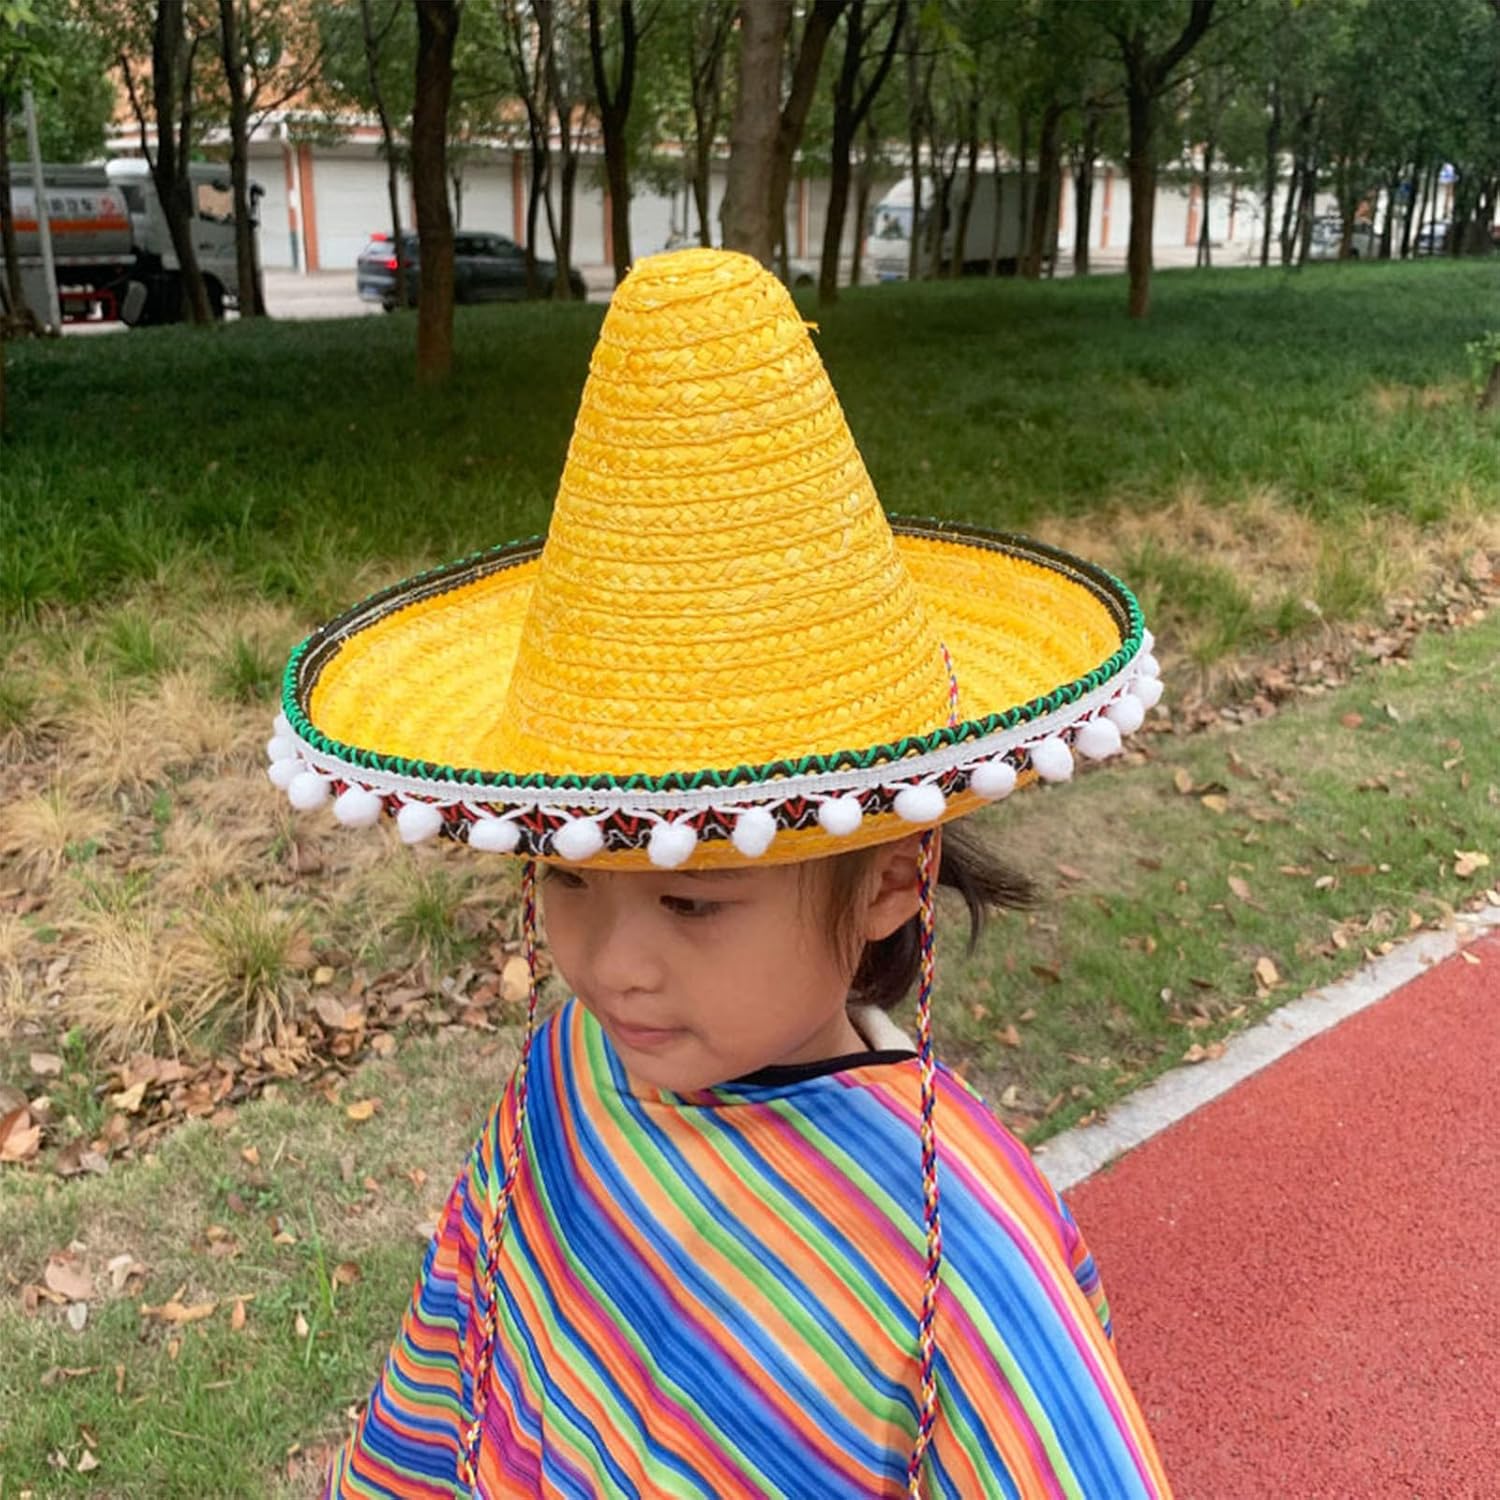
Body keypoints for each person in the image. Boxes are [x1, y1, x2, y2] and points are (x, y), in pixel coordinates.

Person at [267, 247, 1170, 1498]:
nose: (607, 966)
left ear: (894, 873)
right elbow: (461, 1355)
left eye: (693, 899)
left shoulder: (958, 1271)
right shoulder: (573, 1076)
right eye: (569, 875)